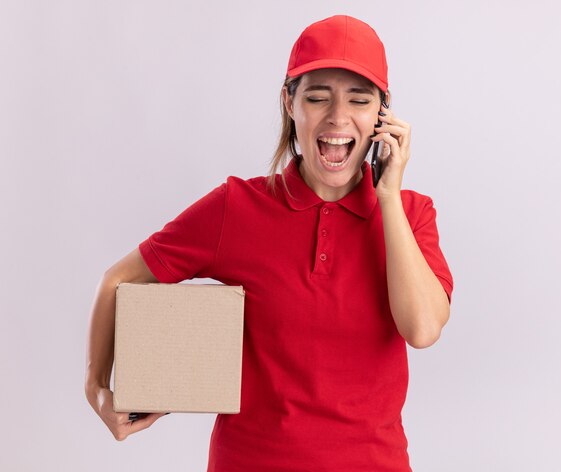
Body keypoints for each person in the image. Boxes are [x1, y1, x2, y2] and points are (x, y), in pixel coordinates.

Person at [85, 14, 453, 472]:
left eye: (359, 100)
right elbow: (117, 280)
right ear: (289, 104)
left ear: (382, 114)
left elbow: (422, 329)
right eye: (317, 97)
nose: (338, 116)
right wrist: (97, 387)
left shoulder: (411, 214)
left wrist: (387, 196)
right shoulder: (235, 208)